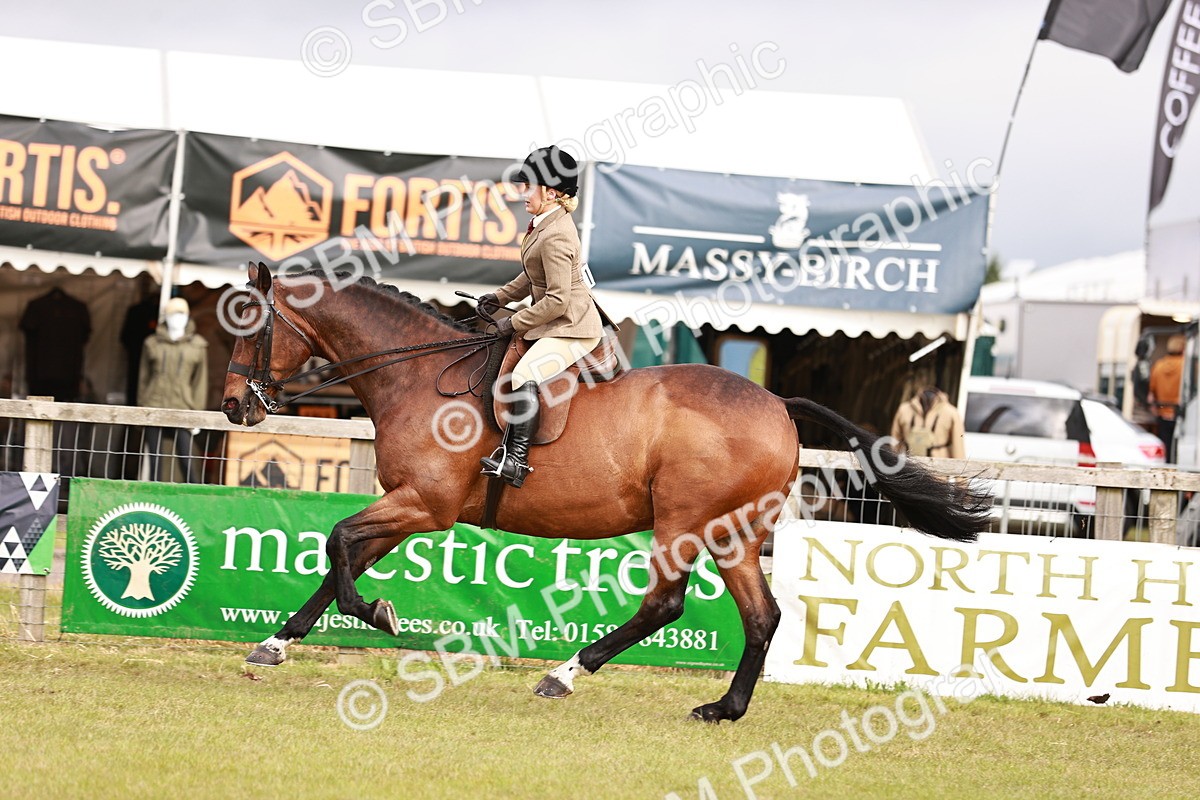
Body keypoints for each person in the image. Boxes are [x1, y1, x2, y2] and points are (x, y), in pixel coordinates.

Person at [477, 146, 609, 488]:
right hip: (558, 318)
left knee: (523, 375)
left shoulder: (556, 235)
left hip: (573, 327)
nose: (523, 193)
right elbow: (532, 276)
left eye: (528, 186)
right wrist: (499, 297)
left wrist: (513, 321)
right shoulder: (545, 225)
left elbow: (557, 300)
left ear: (550, 193)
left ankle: (517, 461)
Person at [139, 297, 208, 483]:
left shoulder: (198, 346)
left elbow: (200, 382)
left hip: (183, 408)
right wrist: (142, 406)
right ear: (166, 317)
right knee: (155, 462)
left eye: (182, 314)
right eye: (173, 314)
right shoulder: (152, 343)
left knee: (186, 460)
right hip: (155, 406)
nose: (178, 319)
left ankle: (192, 497)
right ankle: (153, 499)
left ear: (188, 317)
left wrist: (197, 415)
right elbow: (143, 378)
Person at [890, 385, 966, 459]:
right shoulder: (904, 409)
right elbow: (895, 438)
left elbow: (958, 444)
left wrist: (960, 466)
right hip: (909, 463)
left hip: (939, 464)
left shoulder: (951, 412)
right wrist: (893, 462)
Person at [1148, 334, 1185, 463]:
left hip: (1162, 412)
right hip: (1180, 414)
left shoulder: (1158, 366)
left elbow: (1151, 393)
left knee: (1165, 449)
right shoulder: (1185, 365)